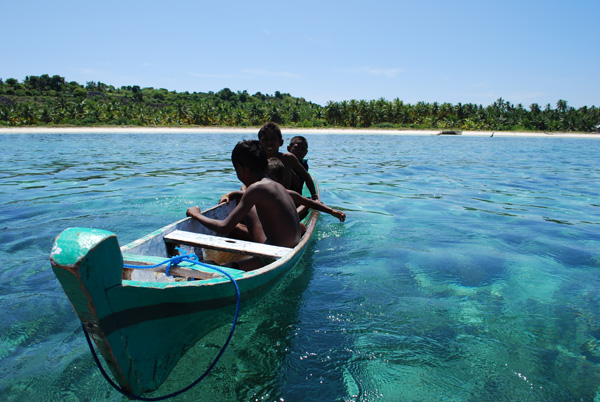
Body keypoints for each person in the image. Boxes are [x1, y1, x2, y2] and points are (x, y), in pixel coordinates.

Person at [186, 140, 300, 271]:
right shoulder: (277, 186)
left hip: (274, 256)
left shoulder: (256, 189)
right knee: (249, 208)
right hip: (291, 248)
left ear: (241, 169)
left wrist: (197, 215)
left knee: (214, 267)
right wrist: (236, 194)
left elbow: (224, 228)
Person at [221, 158, 346, 224]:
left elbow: (311, 203)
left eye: (270, 180)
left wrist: (332, 211)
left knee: (302, 221)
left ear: (281, 181)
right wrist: (227, 196)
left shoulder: (286, 193)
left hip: (273, 231)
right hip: (264, 229)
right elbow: (237, 194)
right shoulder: (258, 192)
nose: (265, 183)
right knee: (235, 227)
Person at [258, 122, 318, 200]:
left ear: (281, 142)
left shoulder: (287, 158)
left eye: (273, 139)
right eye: (265, 139)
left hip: (286, 200)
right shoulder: (258, 160)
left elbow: (306, 176)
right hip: (264, 200)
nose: (269, 143)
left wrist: (314, 196)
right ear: (260, 143)